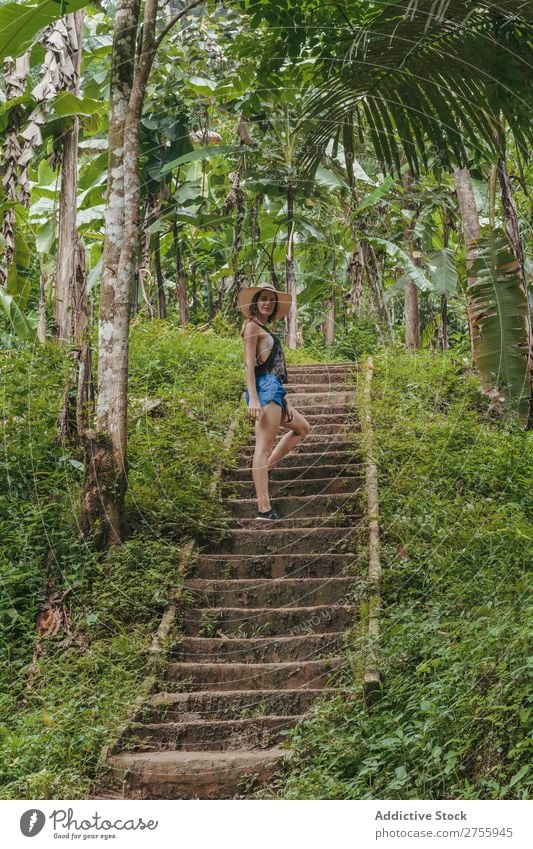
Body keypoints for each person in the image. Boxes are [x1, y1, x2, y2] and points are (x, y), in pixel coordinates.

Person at [238, 283, 311, 520]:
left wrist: (286, 400)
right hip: (264, 391)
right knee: (263, 447)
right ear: (255, 303)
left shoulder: (262, 328)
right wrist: (254, 399)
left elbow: (272, 370)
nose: (268, 303)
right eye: (264, 299)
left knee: (302, 428)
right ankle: (264, 509)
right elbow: (250, 364)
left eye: (272, 300)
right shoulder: (251, 327)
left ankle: (263, 471)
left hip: (274, 389)